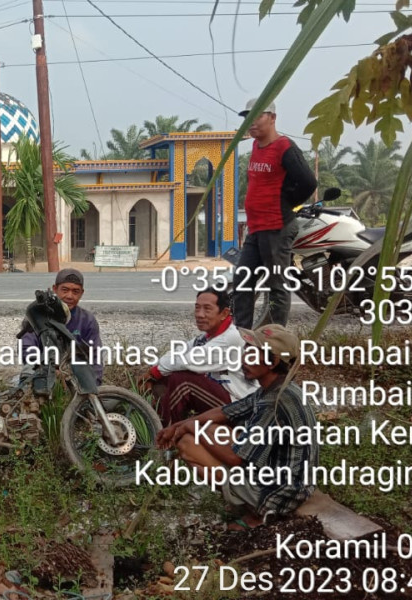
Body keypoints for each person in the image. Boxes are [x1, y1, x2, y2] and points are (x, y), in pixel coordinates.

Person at [156, 324, 317, 530]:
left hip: (281, 492)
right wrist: (181, 424)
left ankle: (257, 512)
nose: (244, 357)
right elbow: (225, 411)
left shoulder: (275, 402)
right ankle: (244, 499)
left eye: (252, 352)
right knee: (208, 428)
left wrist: (191, 428)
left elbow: (235, 457)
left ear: (273, 361)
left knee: (188, 443)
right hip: (289, 479)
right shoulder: (276, 388)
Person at [233, 99, 317, 329]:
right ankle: (241, 335)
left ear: (272, 118)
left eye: (257, 116)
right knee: (242, 281)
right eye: (246, 118)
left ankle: (276, 339)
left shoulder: (284, 147)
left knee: (276, 285)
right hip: (257, 227)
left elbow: (308, 182)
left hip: (276, 227)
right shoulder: (255, 147)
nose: (250, 123)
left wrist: (285, 203)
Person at [140, 288, 257, 425]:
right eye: (197, 308)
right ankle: (150, 417)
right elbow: (179, 352)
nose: (200, 315)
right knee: (168, 375)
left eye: (207, 309)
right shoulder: (208, 336)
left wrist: (153, 373)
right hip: (223, 396)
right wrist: (154, 372)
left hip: (239, 407)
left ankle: (164, 433)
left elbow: (187, 361)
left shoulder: (230, 338)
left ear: (224, 313)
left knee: (183, 381)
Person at [20, 268, 103, 384]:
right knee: (28, 373)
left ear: (81, 293)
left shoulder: (87, 320)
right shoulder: (38, 316)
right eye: (65, 290)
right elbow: (27, 349)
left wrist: (95, 385)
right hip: (44, 371)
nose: (69, 296)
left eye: (75, 291)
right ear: (55, 289)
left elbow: (96, 356)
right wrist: (48, 368)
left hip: (75, 376)